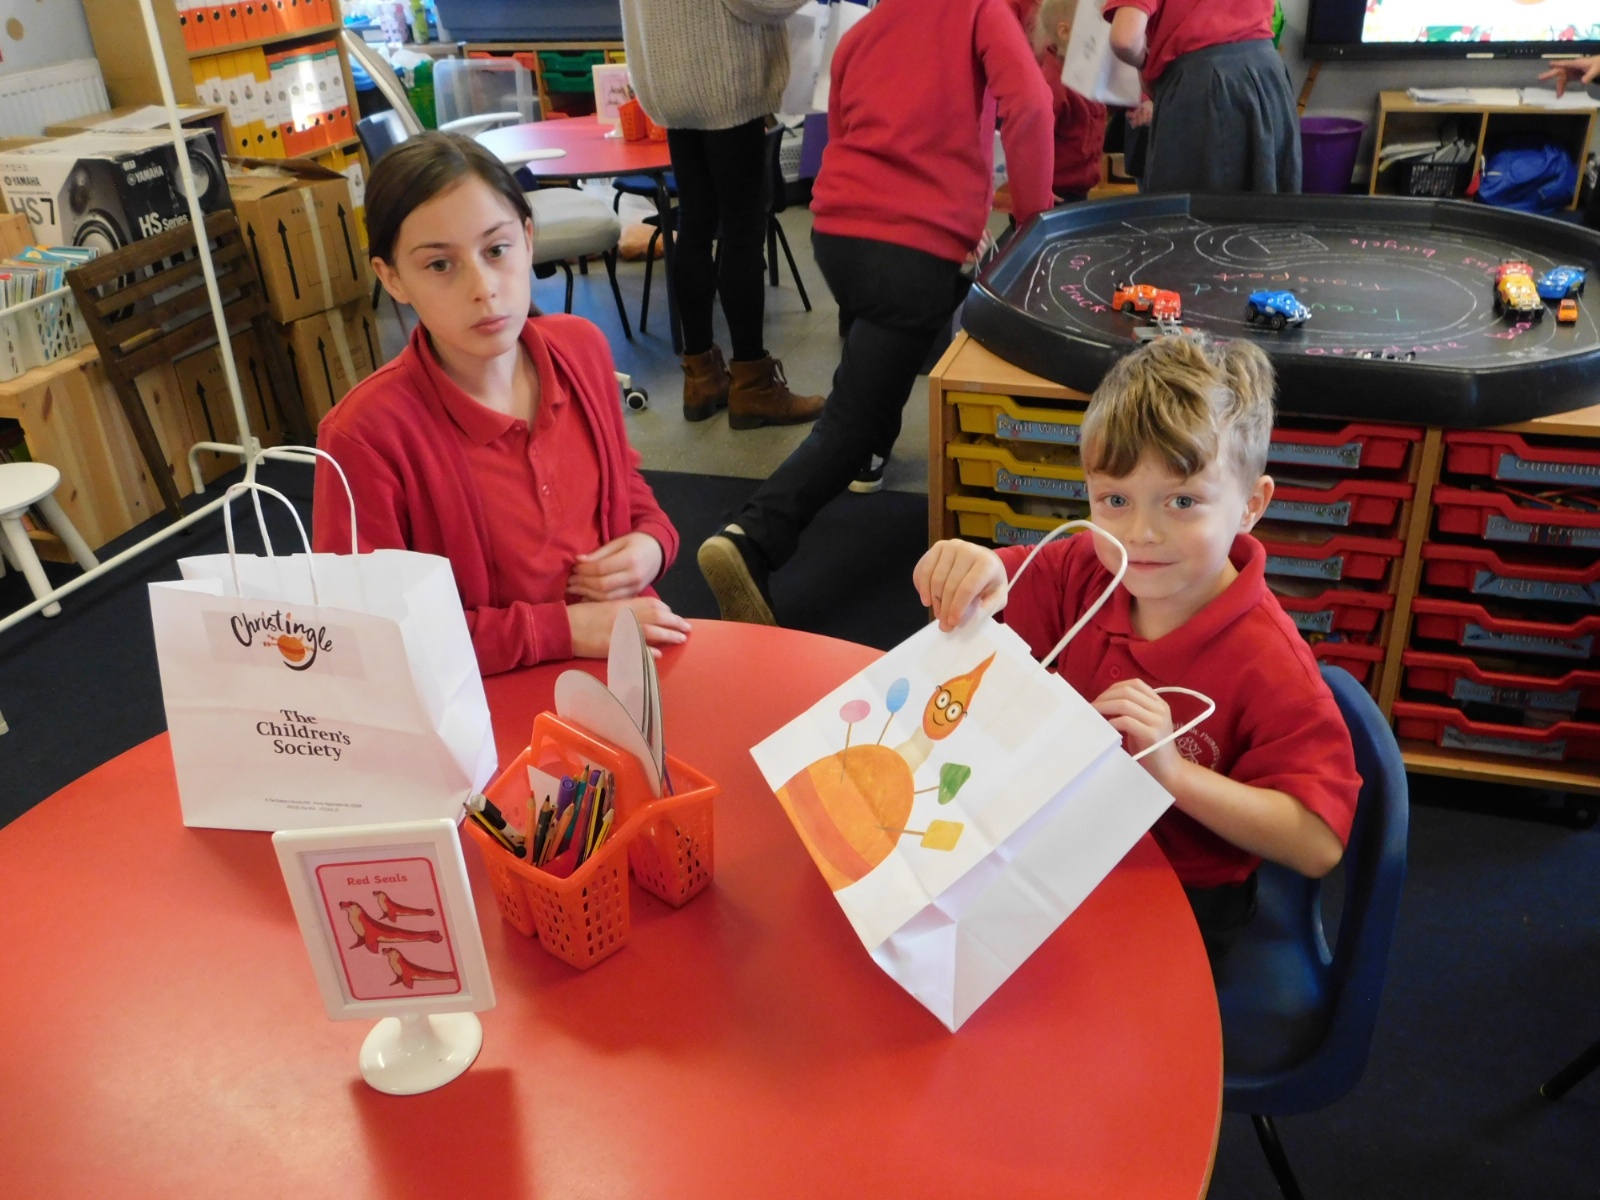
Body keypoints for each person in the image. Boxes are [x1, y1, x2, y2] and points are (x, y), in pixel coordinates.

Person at [913, 334, 1359, 962]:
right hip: (1067, 846)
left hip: (1180, 894)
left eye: (1183, 501)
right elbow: (1006, 582)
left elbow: (1317, 844)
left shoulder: (1272, 664)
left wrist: (1174, 774)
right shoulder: (1089, 569)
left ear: (1251, 506)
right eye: (1115, 500)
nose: (1142, 533)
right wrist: (974, 566)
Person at [698, 0, 1054, 625]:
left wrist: (956, 219)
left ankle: (874, 446)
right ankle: (752, 539)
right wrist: (1035, 222)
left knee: (899, 340)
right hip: (904, 251)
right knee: (854, 417)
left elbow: (853, 132)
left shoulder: (867, 28)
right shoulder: (979, 9)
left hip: (839, 236)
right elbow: (1030, 105)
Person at [311, 132, 690, 676]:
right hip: (488, 693)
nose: (483, 288)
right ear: (392, 278)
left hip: (627, 649)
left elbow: (624, 488)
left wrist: (652, 542)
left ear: (527, 240)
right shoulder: (364, 434)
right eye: (439, 265)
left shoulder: (580, 350)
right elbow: (372, 635)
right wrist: (560, 630)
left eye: (496, 250)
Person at [619, 0, 824, 429]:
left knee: (694, 222)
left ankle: (701, 379)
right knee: (742, 228)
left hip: (667, 77)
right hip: (723, 74)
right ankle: (753, 387)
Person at [1104, 0, 1300, 193]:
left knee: (1198, 208)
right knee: (1270, 204)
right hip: (1268, 77)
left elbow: (1125, 39)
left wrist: (1146, 66)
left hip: (1204, 83)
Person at [1030, 0, 1109, 203]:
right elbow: (1031, 143)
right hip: (1054, 194)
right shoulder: (1052, 85)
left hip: (1076, 189)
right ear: (1065, 32)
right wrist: (1037, 189)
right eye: (1097, 26)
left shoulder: (1081, 72)